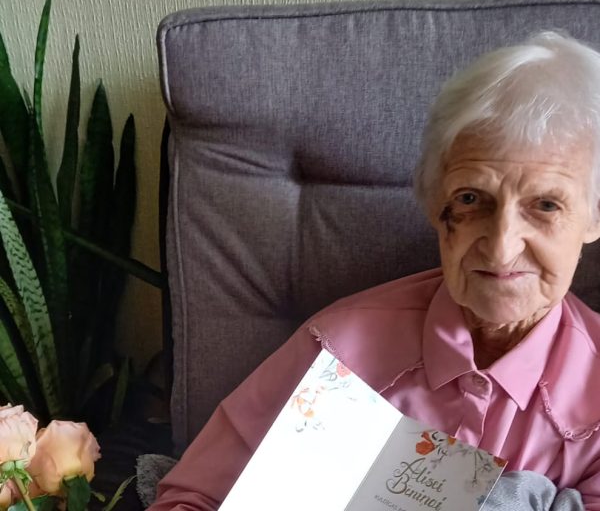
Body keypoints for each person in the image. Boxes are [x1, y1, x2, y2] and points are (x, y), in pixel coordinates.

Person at [149, 31, 600, 510]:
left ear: (594, 217)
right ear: (435, 204)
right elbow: (192, 497)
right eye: (471, 199)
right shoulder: (340, 351)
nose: (502, 248)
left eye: (546, 205)